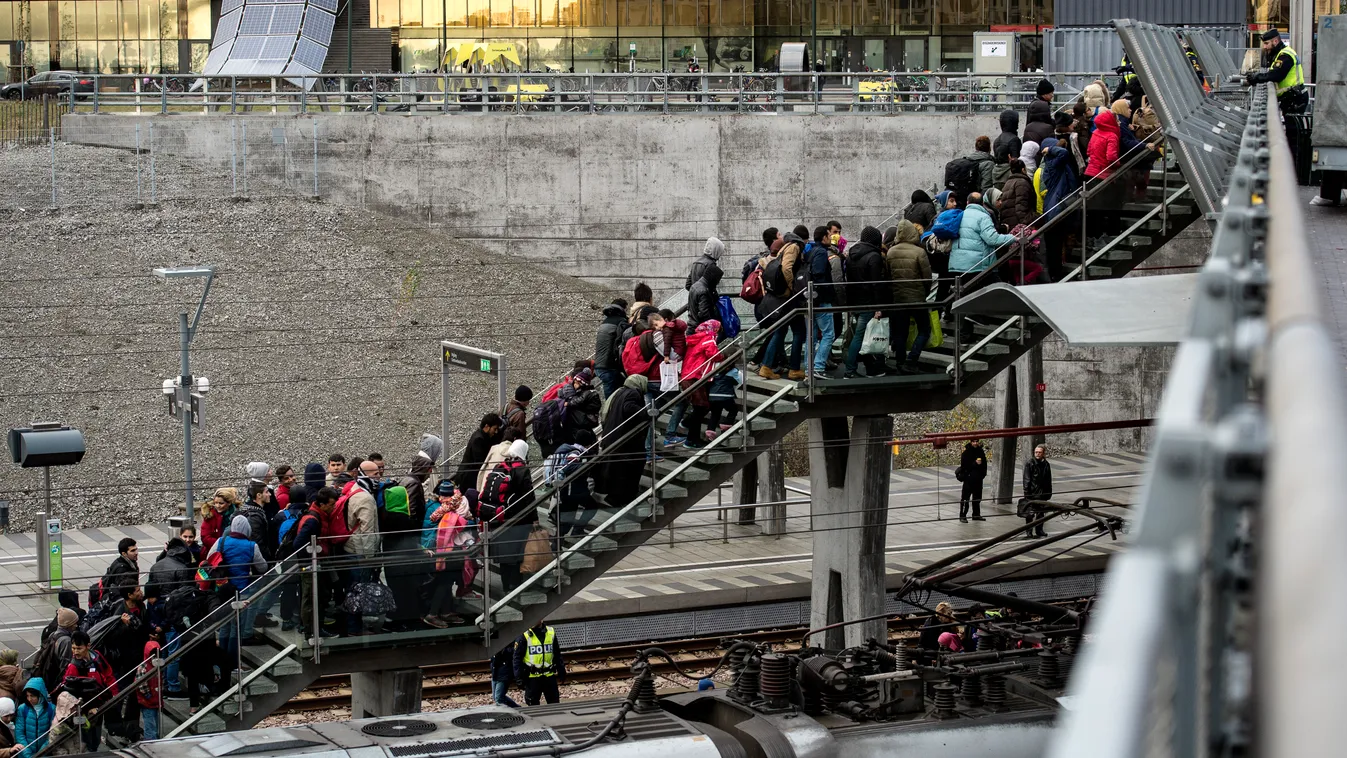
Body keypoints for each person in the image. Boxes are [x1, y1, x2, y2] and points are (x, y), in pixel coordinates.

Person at [482, 440, 535, 595]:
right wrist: (534, 518)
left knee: (505, 555)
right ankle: (516, 586)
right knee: (517, 553)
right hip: (519, 519)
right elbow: (529, 497)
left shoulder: (500, 466)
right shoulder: (522, 470)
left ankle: (506, 587)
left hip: (500, 517)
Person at [208, 515, 266, 656]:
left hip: (222, 589)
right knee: (236, 628)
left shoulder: (221, 541)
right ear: (247, 529)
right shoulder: (252, 546)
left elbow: (209, 558)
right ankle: (233, 663)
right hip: (241, 591)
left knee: (224, 626)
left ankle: (222, 660)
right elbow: (263, 567)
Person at [758, 226, 809, 381]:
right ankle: (793, 368)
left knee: (781, 330)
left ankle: (766, 366)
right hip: (789, 298)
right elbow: (787, 268)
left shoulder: (785, 246)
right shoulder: (793, 247)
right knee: (799, 331)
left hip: (782, 298)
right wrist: (792, 287)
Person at [883, 220, 932, 375]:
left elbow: (888, 276)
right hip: (917, 297)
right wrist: (925, 292)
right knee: (924, 329)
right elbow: (927, 277)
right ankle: (912, 360)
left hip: (898, 298)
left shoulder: (891, 252)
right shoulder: (919, 252)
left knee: (900, 333)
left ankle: (900, 362)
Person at [595, 375, 652, 508]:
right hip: (625, 441)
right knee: (628, 470)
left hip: (613, 437)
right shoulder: (633, 393)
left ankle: (616, 497)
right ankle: (621, 498)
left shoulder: (620, 392)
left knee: (618, 469)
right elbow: (629, 408)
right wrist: (647, 413)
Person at [1246, 29, 1308, 150]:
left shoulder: (1285, 55)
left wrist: (1256, 78)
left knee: (1293, 136)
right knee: (1292, 134)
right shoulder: (1280, 54)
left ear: (1275, 41)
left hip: (1295, 99)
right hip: (1292, 99)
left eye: (1267, 43)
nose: (1265, 47)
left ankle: (1293, 164)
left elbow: (1277, 75)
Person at [842, 226, 889, 379]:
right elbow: (876, 283)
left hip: (854, 301)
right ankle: (850, 370)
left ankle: (870, 367)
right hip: (868, 302)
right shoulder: (874, 256)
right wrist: (878, 306)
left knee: (861, 334)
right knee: (860, 336)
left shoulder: (851, 255)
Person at [294, 487, 337, 640]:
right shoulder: (313, 520)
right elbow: (298, 544)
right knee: (312, 597)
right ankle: (311, 631)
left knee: (317, 596)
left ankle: (314, 628)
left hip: (316, 562)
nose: (333, 508)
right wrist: (312, 558)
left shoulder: (318, 515)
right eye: (331, 505)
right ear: (322, 504)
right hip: (311, 565)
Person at [949, 192, 1017, 289]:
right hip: (978, 265)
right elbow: (992, 239)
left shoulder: (960, 215)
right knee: (998, 291)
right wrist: (1012, 237)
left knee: (964, 296)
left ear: (967, 202)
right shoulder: (983, 217)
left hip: (958, 264)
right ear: (982, 203)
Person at [61, 631, 116, 750]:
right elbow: (72, 694)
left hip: (100, 705)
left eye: (79, 648)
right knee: (87, 741)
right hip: (85, 711)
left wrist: (114, 693)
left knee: (95, 739)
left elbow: (108, 673)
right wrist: (87, 708)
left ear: (88, 646)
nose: (75, 652)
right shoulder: (73, 667)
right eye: (73, 648)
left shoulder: (97, 656)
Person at [801, 226, 836, 378]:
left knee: (811, 336)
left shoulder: (810, 251)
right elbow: (819, 274)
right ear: (823, 237)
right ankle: (819, 366)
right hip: (821, 300)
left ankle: (809, 368)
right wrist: (826, 291)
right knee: (829, 334)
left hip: (811, 300)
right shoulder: (821, 252)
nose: (831, 238)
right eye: (829, 235)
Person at [1084, 108, 1124, 239]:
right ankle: (1105, 233)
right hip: (1104, 175)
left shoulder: (1095, 132)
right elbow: (1111, 157)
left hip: (1090, 173)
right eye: (1116, 119)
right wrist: (1119, 165)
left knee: (1093, 208)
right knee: (1105, 206)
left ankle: (1091, 235)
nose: (1118, 122)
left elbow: (1089, 151)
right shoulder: (1112, 136)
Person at [514, 619, 566, 706]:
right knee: (533, 706)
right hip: (532, 678)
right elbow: (517, 658)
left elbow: (557, 653)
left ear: (541, 619)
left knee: (555, 705)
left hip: (549, 676)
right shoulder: (524, 634)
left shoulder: (551, 632)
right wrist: (518, 677)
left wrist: (561, 670)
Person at [453, 413, 502, 493]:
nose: (495, 432)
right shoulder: (478, 440)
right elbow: (479, 462)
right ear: (487, 427)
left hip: (469, 476)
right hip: (468, 478)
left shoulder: (481, 436)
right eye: (494, 429)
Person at [594, 301, 628, 398]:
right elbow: (623, 343)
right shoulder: (621, 322)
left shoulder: (604, 323)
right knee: (611, 399)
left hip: (599, 366)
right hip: (609, 366)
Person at [14, 678, 54, 758]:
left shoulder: (51, 709)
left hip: (45, 753)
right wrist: (27, 755)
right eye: (27, 696)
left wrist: (41, 753)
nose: (29, 699)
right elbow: (19, 733)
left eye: (32, 696)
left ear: (40, 694)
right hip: (25, 754)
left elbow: (52, 733)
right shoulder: (23, 709)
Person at [1022, 445, 1053, 538]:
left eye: (1039, 452)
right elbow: (1027, 479)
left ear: (1043, 453)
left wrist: (1049, 492)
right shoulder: (1030, 463)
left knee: (1041, 513)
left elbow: (1048, 480)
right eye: (1036, 452)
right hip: (1033, 493)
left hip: (1042, 493)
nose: (1037, 454)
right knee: (1030, 513)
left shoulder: (1046, 464)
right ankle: (1029, 531)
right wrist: (1027, 493)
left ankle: (1039, 530)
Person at [999, 158, 1037, 231]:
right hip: (1019, 226)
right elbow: (1021, 207)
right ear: (1023, 170)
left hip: (1009, 224)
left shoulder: (1007, 183)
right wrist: (1025, 227)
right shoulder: (1022, 183)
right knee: (1024, 242)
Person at [135, 640, 161, 741]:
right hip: (148, 701)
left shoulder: (155, 665)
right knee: (150, 724)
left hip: (154, 699)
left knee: (154, 722)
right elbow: (141, 684)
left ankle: (154, 739)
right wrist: (148, 695)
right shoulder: (144, 667)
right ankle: (150, 741)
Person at [686, 262, 723, 333]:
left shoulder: (695, 286)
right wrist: (713, 325)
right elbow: (704, 313)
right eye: (718, 279)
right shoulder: (704, 291)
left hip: (692, 325)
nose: (717, 282)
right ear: (713, 277)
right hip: (699, 329)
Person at [958, 440, 989, 523]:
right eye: (973, 441)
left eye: (976, 441)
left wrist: (983, 474)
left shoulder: (980, 451)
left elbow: (984, 464)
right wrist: (975, 463)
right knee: (965, 498)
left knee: (977, 498)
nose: (975, 443)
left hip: (978, 479)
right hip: (968, 479)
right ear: (971, 442)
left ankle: (976, 514)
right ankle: (963, 515)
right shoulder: (966, 453)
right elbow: (964, 466)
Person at [991, 110, 1022, 190]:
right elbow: (1015, 160)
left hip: (997, 174)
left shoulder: (997, 140)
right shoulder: (1014, 139)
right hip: (1009, 174)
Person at [1023, 80, 1055, 145]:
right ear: (1045, 94)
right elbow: (1047, 122)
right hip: (1041, 138)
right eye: (1051, 93)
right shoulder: (1042, 106)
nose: (1052, 95)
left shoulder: (1034, 104)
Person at [492, 639, 520, 708]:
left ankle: (514, 709)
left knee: (498, 698)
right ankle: (516, 708)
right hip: (496, 671)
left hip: (504, 672)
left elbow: (513, 651)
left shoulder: (510, 638)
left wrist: (502, 650)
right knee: (497, 697)